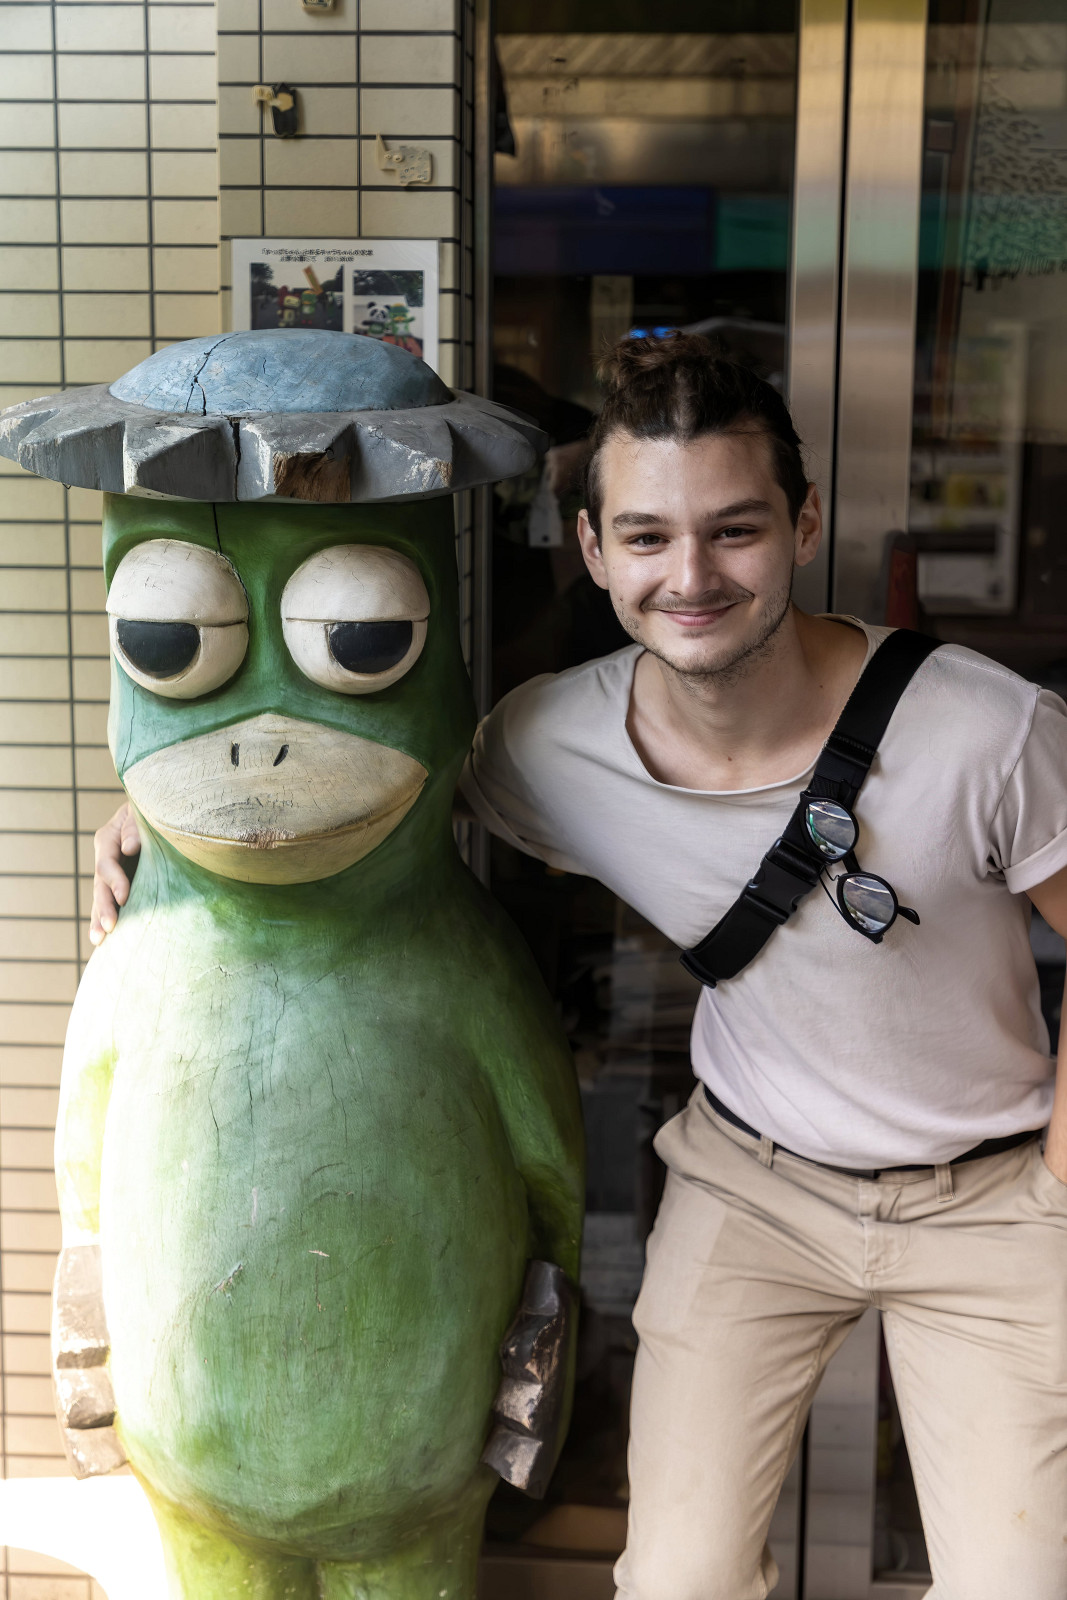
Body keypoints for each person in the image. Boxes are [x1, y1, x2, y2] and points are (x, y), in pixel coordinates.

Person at [91, 333, 1067, 1599]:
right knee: (675, 1579)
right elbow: (359, 805)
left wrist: (1054, 1189)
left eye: (733, 530)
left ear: (802, 524)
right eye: (648, 537)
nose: (690, 576)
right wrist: (149, 825)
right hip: (754, 1184)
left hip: (986, 1198)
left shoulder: (984, 728)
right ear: (594, 549)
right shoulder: (546, 744)